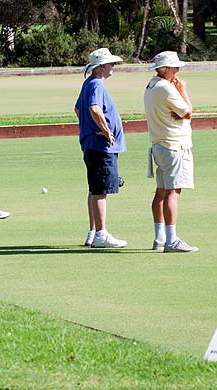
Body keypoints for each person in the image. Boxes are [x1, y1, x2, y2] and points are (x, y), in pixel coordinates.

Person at [143, 51, 198, 253]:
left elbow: (179, 113)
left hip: (159, 144)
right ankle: (171, 240)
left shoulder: (151, 85)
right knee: (173, 192)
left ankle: (160, 238)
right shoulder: (167, 88)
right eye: (175, 68)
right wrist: (183, 89)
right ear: (165, 69)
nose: (177, 71)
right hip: (175, 145)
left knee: (162, 191)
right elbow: (188, 112)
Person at [74, 48, 128, 248]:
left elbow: (78, 109)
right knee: (100, 190)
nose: (113, 67)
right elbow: (94, 108)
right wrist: (104, 130)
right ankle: (101, 234)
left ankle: (94, 231)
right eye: (111, 64)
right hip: (100, 146)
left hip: (92, 143)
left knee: (95, 188)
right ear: (102, 67)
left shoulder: (88, 83)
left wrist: (88, 127)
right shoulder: (96, 84)